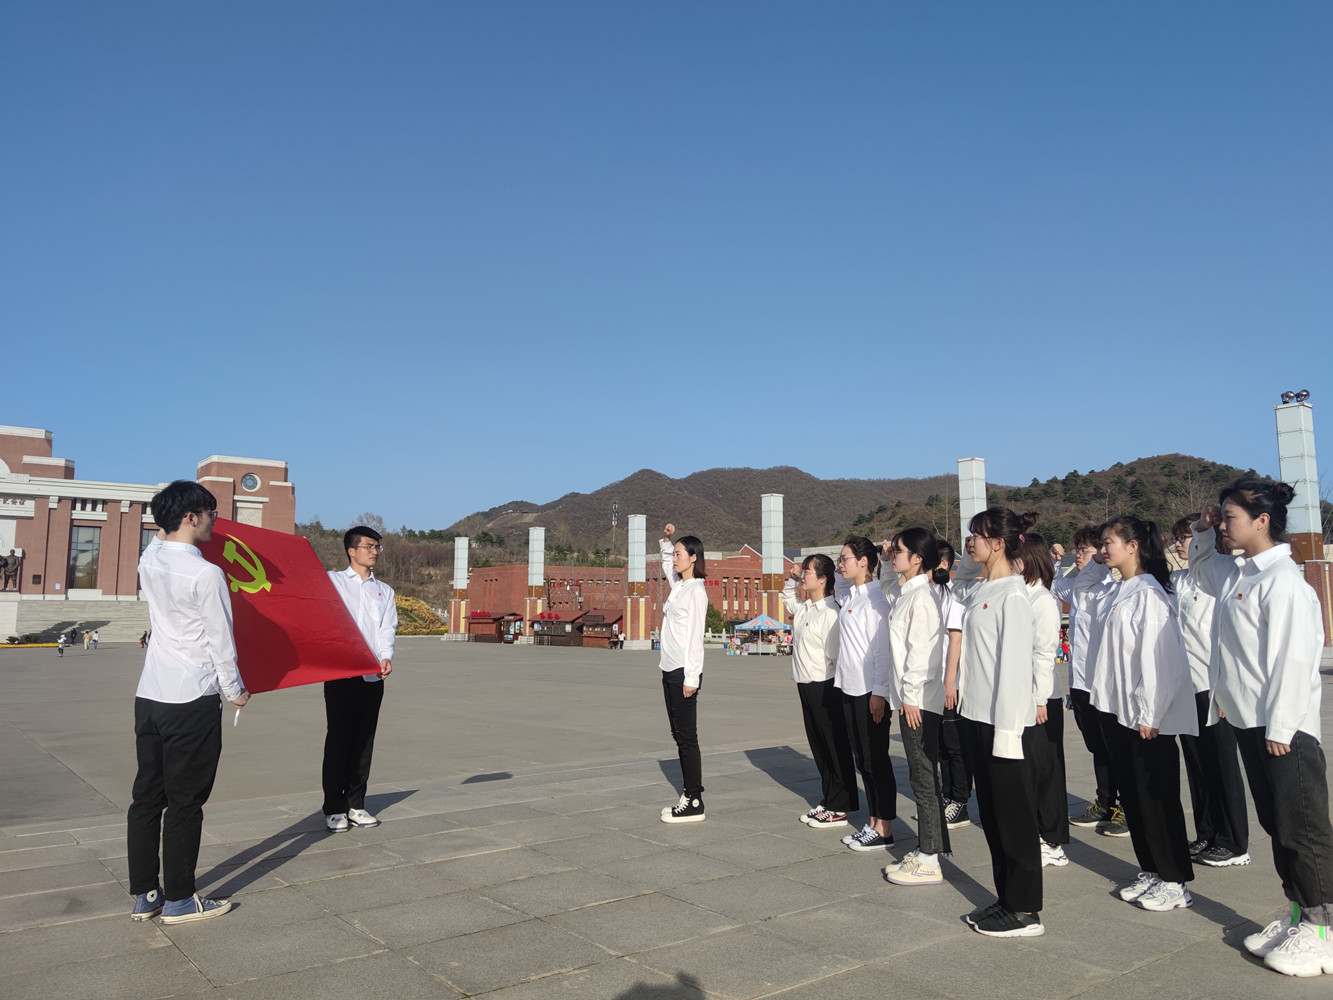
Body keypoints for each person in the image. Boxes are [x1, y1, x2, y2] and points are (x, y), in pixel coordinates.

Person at [1190, 482, 1333, 976]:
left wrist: (1283, 727)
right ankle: (1300, 916)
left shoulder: (1284, 581)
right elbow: (1201, 570)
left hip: (1283, 728)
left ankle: (1323, 930)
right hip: (1251, 720)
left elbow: (1295, 660)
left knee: (1302, 830)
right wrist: (1202, 529)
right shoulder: (1240, 572)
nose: (1223, 524)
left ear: (1262, 520)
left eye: (1229, 516)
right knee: (1278, 826)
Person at [127, 480, 249, 924]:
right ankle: (180, 899)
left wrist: (166, 512)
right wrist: (235, 690)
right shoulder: (206, 574)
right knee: (184, 802)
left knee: (146, 797)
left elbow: (160, 538)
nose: (216, 521)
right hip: (191, 697)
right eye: (211, 513)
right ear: (190, 517)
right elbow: (221, 641)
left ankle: (146, 893)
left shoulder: (149, 560)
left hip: (150, 696)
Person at [1091, 515, 1197, 912]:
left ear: (1133, 546)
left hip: (1146, 719)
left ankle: (1175, 880)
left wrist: (1151, 713)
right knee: (1135, 797)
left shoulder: (1150, 595)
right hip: (1120, 712)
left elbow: (1161, 662)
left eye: (1110, 542)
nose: (1104, 549)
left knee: (1157, 799)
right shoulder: (1122, 590)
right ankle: (1152, 868)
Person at [957, 508, 1041, 938]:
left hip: (1002, 723)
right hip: (976, 715)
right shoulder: (980, 588)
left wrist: (1008, 734)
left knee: (1014, 819)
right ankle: (1006, 898)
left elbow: (1013, 671)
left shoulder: (1013, 595)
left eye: (978, 535)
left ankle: (1025, 909)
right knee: (992, 816)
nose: (970, 542)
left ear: (999, 544)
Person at [1170, 515, 1250, 868]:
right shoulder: (1179, 580)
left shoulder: (1221, 577)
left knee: (1222, 766)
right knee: (1197, 765)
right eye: (1176, 538)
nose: (1178, 544)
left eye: (1184, 537)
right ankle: (1206, 832)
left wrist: (1224, 690)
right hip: (1188, 687)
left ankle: (1234, 842)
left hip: (1212, 687)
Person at [881, 528, 950, 886]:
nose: (893, 555)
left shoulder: (922, 598)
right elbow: (886, 587)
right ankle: (929, 848)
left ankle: (929, 858)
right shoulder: (907, 593)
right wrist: (884, 562)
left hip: (919, 701)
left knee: (923, 778)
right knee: (922, 776)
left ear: (918, 558)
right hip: (913, 699)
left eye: (899, 551)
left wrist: (909, 695)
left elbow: (922, 654)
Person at [323, 526, 397, 833]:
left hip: (372, 675)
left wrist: (386, 655)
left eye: (377, 546)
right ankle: (333, 807)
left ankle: (356, 804)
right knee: (339, 739)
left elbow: (387, 628)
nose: (374, 551)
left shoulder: (385, 591)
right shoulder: (332, 582)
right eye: (368, 546)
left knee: (364, 740)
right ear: (351, 551)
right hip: (340, 673)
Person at [1053, 525, 1125, 837]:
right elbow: (1054, 584)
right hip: (1080, 682)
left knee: (1115, 747)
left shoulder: (1113, 588)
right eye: (1077, 550)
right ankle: (1105, 802)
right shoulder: (1077, 588)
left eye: (1084, 550)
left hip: (1104, 684)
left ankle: (1125, 806)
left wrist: (1097, 560)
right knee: (1097, 747)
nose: (1079, 555)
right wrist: (1057, 561)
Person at [832, 536, 896, 852]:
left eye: (845, 558)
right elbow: (839, 587)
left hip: (870, 691)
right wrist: (842, 568)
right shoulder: (851, 597)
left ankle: (884, 828)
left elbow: (883, 652)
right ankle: (873, 822)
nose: (840, 564)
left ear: (863, 562)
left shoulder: (877, 600)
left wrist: (879, 693)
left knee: (875, 760)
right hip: (850, 686)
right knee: (863, 760)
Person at [782, 554, 855, 828]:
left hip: (826, 686)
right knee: (819, 747)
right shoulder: (805, 608)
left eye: (808, 572)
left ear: (823, 579)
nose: (803, 576)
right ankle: (829, 799)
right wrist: (791, 579)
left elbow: (836, 657)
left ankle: (840, 805)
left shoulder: (830, 613)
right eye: (803, 572)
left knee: (834, 747)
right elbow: (787, 598)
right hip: (805, 685)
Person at [1017, 525, 1069, 869]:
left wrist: (1038, 699)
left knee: (1046, 768)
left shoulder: (1044, 600)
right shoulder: (1021, 596)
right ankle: (1037, 829)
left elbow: (1044, 653)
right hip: (1025, 693)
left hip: (1042, 696)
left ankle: (1052, 839)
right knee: (1031, 768)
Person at [658, 523, 709, 822]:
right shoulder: (679, 586)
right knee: (678, 734)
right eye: (674, 553)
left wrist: (692, 678)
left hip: (683, 672)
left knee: (687, 736)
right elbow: (667, 565)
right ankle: (689, 795)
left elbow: (695, 638)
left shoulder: (696, 592)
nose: (675, 558)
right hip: (669, 667)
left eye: (679, 554)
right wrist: (666, 541)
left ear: (693, 558)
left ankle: (694, 799)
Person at [933, 538, 972, 829]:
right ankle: (947, 796)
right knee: (941, 747)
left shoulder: (953, 597)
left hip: (951, 683)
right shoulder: (929, 594)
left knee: (955, 746)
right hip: (933, 683)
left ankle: (960, 801)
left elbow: (955, 641)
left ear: (944, 564)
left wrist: (950, 681)